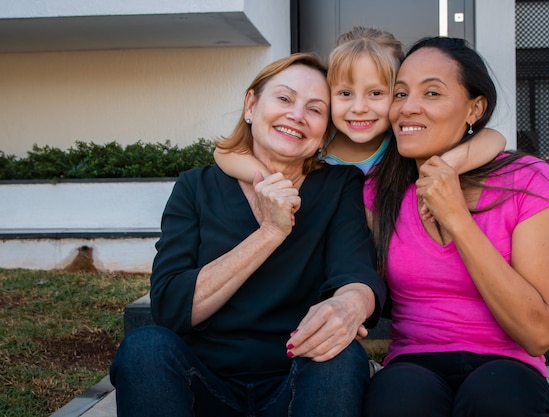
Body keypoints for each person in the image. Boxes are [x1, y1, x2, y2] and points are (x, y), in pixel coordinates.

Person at [109, 52, 386, 417]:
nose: (297, 115)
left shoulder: (337, 187)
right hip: (204, 381)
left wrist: (351, 303)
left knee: (341, 355)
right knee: (144, 348)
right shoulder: (196, 186)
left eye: (315, 109)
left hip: (297, 376)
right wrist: (270, 231)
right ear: (251, 105)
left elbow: (355, 272)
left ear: (325, 133)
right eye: (284, 99)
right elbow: (171, 307)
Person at [363, 37, 549, 417]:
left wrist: (456, 216)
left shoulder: (525, 179)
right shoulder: (380, 188)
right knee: (399, 399)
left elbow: (538, 335)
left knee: (497, 396)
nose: (408, 107)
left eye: (432, 92)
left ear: (474, 108)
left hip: (508, 370)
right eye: (400, 93)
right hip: (414, 365)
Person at [214, 27, 506, 189]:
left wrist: (447, 168)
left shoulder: (401, 144)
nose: (359, 108)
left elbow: (494, 139)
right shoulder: (317, 140)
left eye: (377, 93)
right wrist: (271, 183)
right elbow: (225, 151)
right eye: (344, 93)